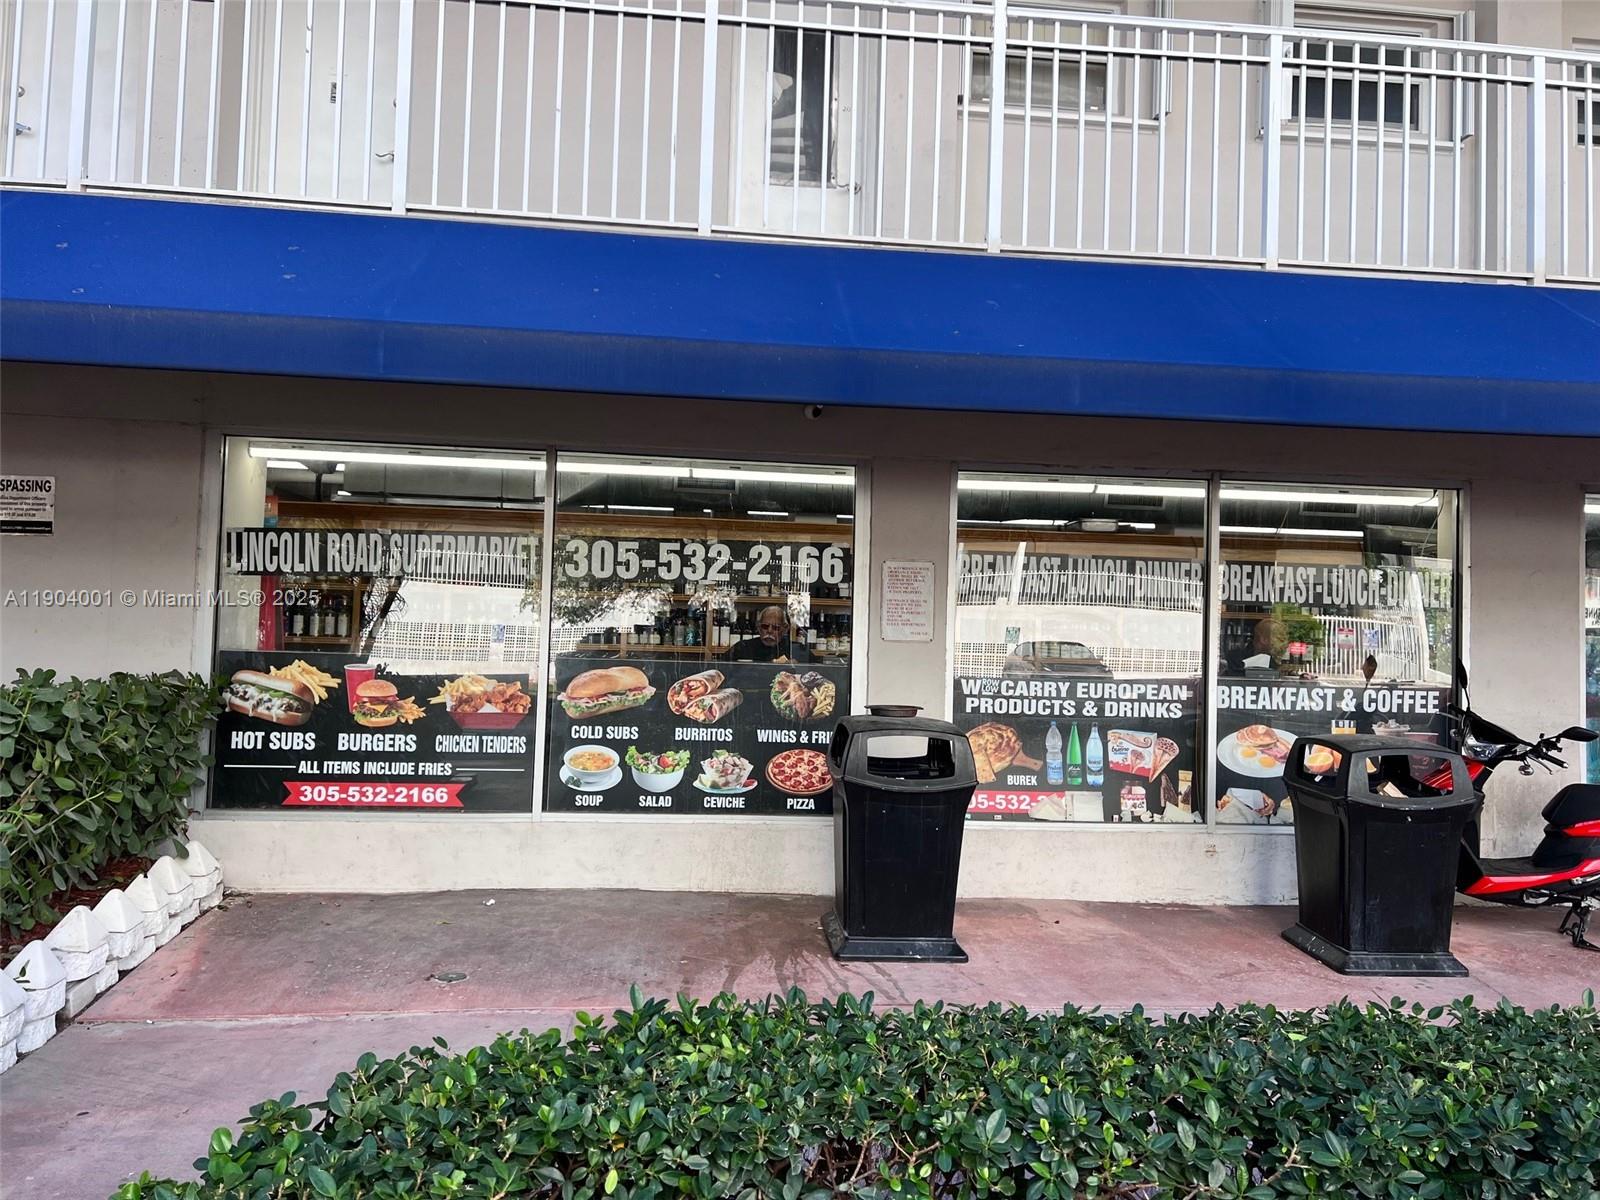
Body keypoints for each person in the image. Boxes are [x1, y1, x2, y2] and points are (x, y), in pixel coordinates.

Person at [726, 605, 810, 663]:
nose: (769, 631)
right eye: (765, 626)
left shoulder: (797, 650)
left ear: (785, 629)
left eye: (775, 627)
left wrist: (798, 668)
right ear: (758, 628)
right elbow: (720, 670)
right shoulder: (742, 647)